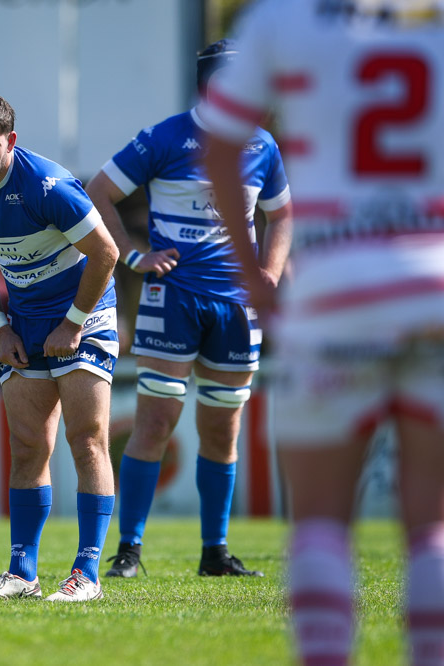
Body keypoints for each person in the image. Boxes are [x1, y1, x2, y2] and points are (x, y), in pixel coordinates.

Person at [202, 1, 444, 664]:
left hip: (335, 282)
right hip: (435, 275)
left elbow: (220, 145)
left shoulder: (282, 20)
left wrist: (253, 276)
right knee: (433, 530)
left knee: (318, 527)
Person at [85, 40, 293, 579]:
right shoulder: (166, 137)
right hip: (170, 298)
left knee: (223, 429)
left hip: (235, 306)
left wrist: (269, 272)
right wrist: (132, 255)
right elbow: (98, 192)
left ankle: (214, 551)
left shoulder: (262, 145)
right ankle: (129, 549)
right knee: (155, 420)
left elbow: (283, 215)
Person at [0, 91, 119, 602]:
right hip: (23, 319)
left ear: (10, 141)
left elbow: (106, 253)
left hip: (85, 313)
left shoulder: (48, 186)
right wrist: (0, 327)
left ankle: (86, 575)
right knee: (27, 446)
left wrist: (74, 323)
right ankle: (22, 574)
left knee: (87, 439)